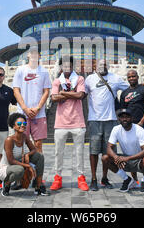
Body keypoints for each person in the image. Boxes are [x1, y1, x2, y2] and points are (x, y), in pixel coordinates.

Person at [85, 59, 129, 191]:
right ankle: (93, 179)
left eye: (104, 65)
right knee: (93, 151)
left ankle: (104, 178)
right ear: (95, 66)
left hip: (111, 120)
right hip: (94, 120)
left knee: (108, 153)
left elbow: (129, 88)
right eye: (100, 65)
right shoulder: (89, 79)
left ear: (108, 66)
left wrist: (143, 86)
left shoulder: (115, 78)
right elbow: (81, 93)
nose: (102, 67)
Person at [50, 56, 88, 191]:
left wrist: (63, 93)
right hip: (60, 122)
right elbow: (54, 98)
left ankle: (81, 177)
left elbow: (80, 96)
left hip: (78, 121)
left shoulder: (79, 79)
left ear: (73, 67)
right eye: (64, 66)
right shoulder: (56, 81)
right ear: (61, 67)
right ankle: (57, 177)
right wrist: (70, 93)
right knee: (58, 152)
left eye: (69, 65)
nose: (67, 68)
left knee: (79, 152)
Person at [120, 70, 144, 192]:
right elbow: (123, 111)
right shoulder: (124, 93)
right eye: (129, 76)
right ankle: (135, 180)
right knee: (132, 153)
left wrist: (141, 122)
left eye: (133, 76)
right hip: (130, 127)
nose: (131, 78)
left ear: (138, 77)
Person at [0, 113, 50, 197]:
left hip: (19, 164)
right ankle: (6, 184)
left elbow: (34, 149)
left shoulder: (24, 137)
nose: (22, 125)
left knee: (39, 156)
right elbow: (11, 160)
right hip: (6, 168)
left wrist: (28, 155)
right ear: (14, 126)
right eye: (19, 124)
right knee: (20, 170)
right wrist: (27, 166)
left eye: (24, 124)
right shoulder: (9, 140)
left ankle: (38, 186)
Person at [102, 108, 144, 192]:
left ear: (132, 118)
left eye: (127, 117)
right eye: (122, 117)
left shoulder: (139, 129)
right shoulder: (116, 129)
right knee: (105, 158)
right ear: (119, 119)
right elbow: (109, 148)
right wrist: (116, 157)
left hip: (138, 160)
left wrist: (127, 158)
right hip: (125, 160)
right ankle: (126, 179)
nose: (124, 119)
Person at [13, 48, 51, 154]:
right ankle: (22, 168)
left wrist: (38, 108)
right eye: (31, 53)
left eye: (36, 53)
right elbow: (16, 90)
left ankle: (38, 169)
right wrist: (25, 108)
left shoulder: (44, 72)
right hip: (22, 114)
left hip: (39, 114)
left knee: (38, 143)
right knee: (20, 142)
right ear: (28, 55)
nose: (34, 55)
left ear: (39, 56)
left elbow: (46, 91)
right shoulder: (20, 70)